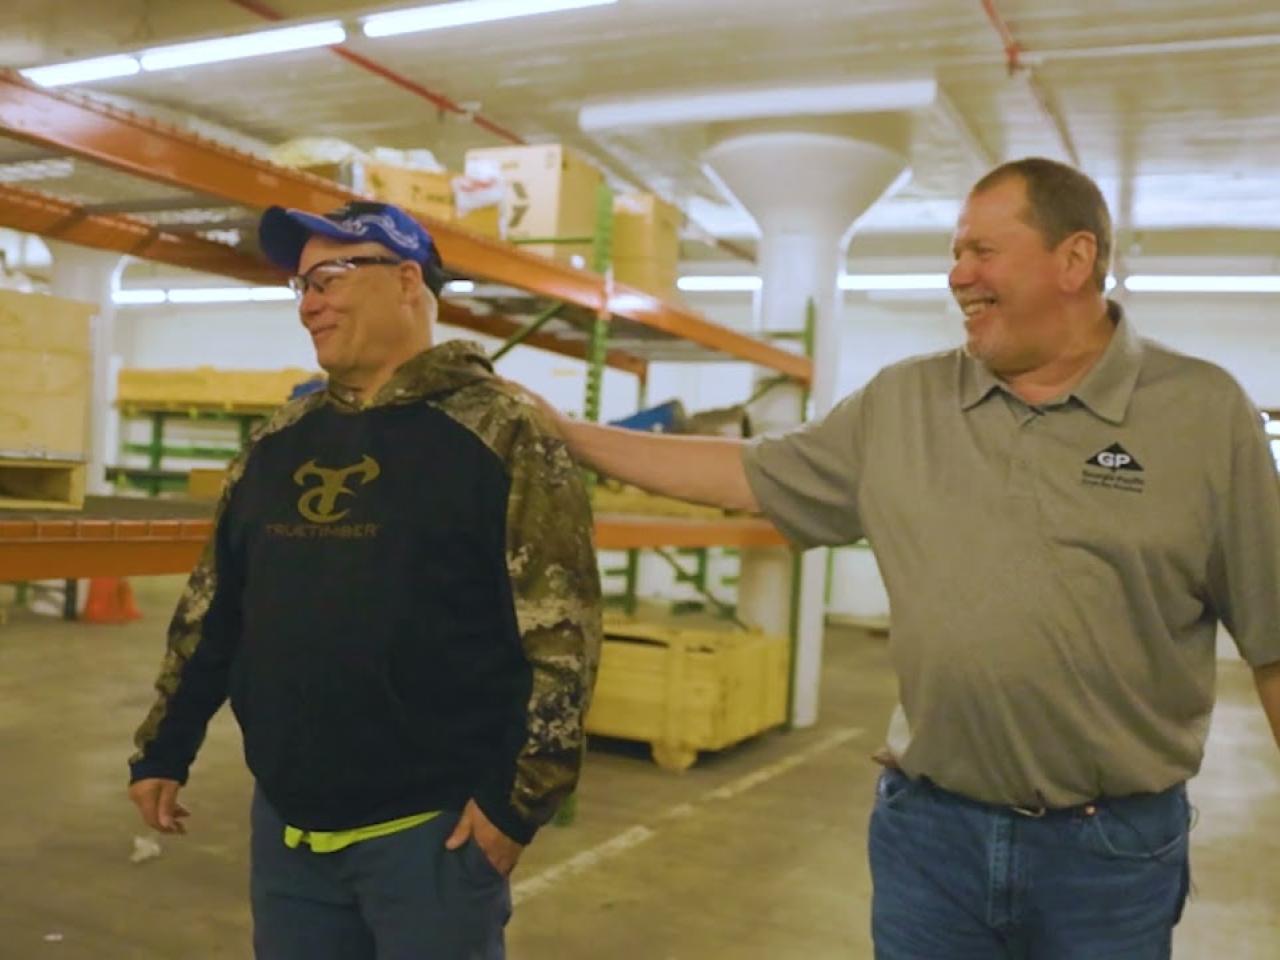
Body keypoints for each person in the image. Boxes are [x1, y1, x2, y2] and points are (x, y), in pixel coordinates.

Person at [527, 158, 1280, 958]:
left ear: (1074, 258)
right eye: (955, 253)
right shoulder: (904, 403)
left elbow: (1272, 640)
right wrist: (569, 435)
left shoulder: (1201, 414)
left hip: (1110, 855)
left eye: (983, 251)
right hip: (931, 841)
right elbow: (748, 472)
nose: (958, 276)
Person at [127, 200, 602, 960]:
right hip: (287, 827)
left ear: (407, 281)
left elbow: (562, 635)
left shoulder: (504, 432)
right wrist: (165, 745)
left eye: (329, 278)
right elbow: (215, 606)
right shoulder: (278, 442)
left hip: (432, 834)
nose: (308, 304)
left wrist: (516, 805)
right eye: (301, 286)